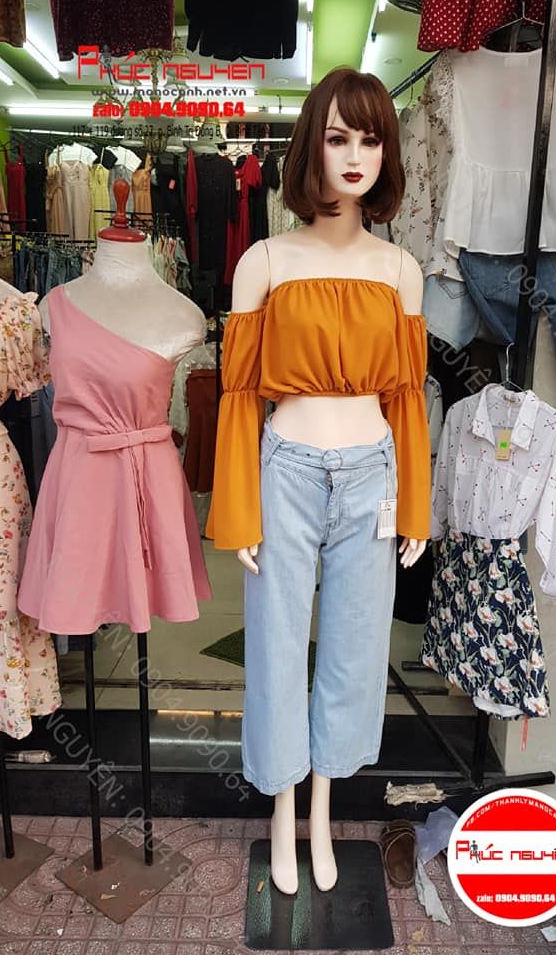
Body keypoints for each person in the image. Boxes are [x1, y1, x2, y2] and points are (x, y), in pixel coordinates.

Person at [207, 67, 431, 894]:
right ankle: (280, 809)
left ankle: (323, 811)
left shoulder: (401, 270)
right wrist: (237, 510)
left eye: (371, 138)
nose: (355, 155)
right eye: (338, 137)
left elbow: (406, 399)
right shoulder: (264, 261)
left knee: (356, 647)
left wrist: (415, 507)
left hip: (372, 472)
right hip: (288, 470)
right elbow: (238, 395)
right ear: (312, 145)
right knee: (274, 644)